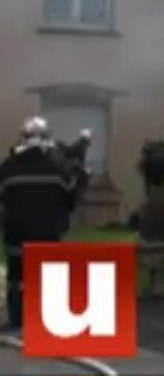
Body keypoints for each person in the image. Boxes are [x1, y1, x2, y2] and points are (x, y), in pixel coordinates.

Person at [0, 117, 77, 331]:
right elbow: (71, 197)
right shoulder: (57, 167)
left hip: (16, 235)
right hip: (48, 234)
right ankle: (46, 320)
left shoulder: (8, 167)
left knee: (17, 277)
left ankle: (17, 320)